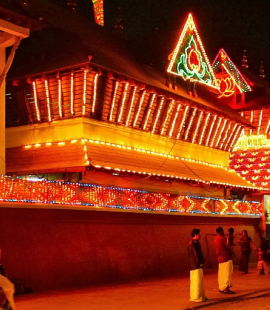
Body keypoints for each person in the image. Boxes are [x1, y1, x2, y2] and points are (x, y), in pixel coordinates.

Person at [187, 229, 208, 302]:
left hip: (198, 264)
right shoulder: (191, 244)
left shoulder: (197, 243)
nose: (200, 235)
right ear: (195, 234)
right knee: (196, 281)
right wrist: (197, 263)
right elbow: (193, 256)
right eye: (199, 234)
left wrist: (202, 261)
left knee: (200, 281)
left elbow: (200, 253)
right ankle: (196, 296)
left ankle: (201, 295)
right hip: (195, 265)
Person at [214, 226, 235, 294]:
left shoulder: (216, 239)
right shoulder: (222, 238)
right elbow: (228, 246)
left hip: (220, 259)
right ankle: (226, 288)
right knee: (227, 273)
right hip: (226, 257)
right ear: (221, 231)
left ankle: (221, 287)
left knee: (221, 274)